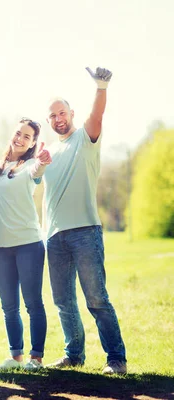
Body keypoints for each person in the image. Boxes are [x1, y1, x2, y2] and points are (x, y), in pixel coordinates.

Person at [43, 67, 127, 374]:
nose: (57, 119)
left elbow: (97, 117)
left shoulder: (85, 138)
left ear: (71, 113)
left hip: (85, 232)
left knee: (95, 298)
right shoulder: (48, 152)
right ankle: (74, 354)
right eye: (51, 116)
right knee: (63, 301)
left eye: (61, 112)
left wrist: (101, 87)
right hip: (54, 237)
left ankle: (116, 358)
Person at [0, 118, 51, 370]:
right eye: (18, 133)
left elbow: (37, 173)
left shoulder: (31, 166)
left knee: (33, 303)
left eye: (27, 136)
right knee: (8, 306)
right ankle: (16, 357)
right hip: (1, 247)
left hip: (28, 244)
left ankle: (36, 358)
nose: (20, 138)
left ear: (33, 142)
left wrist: (43, 161)